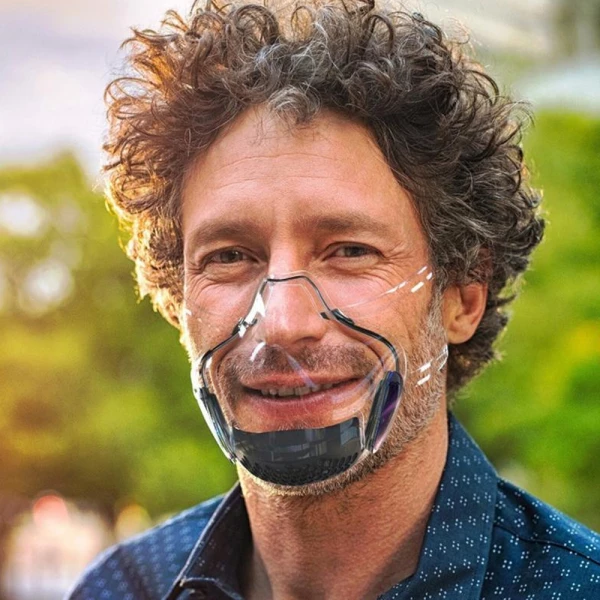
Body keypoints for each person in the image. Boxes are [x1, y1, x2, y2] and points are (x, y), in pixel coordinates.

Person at [69, 1, 600, 598]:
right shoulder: (119, 588)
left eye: (349, 251)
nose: (282, 323)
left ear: (463, 297)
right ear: (177, 298)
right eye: (229, 256)